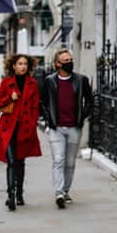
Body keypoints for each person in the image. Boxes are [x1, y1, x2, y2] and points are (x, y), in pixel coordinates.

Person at [42, 48, 93, 209]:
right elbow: (43, 101)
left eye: (71, 59)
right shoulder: (50, 81)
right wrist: (49, 119)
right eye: (66, 60)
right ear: (57, 64)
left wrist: (82, 117)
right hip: (56, 127)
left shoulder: (81, 80)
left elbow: (90, 101)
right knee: (58, 159)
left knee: (70, 162)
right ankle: (58, 193)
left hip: (74, 128)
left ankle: (65, 190)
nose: (70, 62)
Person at [0, 54, 42, 211]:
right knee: (11, 161)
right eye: (19, 64)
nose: (22, 66)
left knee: (20, 161)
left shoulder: (33, 83)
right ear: (13, 66)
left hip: (25, 128)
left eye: (25, 64)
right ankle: (10, 195)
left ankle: (19, 193)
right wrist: (9, 97)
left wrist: (32, 126)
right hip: (8, 128)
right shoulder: (7, 83)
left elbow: (35, 108)